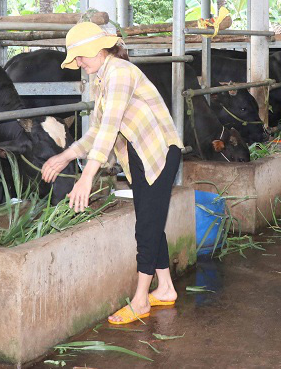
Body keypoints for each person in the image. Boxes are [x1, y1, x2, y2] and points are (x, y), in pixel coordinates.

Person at [41, 22, 184, 325]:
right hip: (140, 153)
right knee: (151, 220)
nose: (78, 62)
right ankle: (166, 288)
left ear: (98, 50)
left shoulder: (119, 73)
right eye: (76, 58)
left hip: (158, 151)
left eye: (81, 56)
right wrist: (65, 156)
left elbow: (108, 131)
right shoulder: (103, 79)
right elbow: (96, 132)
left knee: (146, 224)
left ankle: (141, 300)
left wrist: (87, 176)